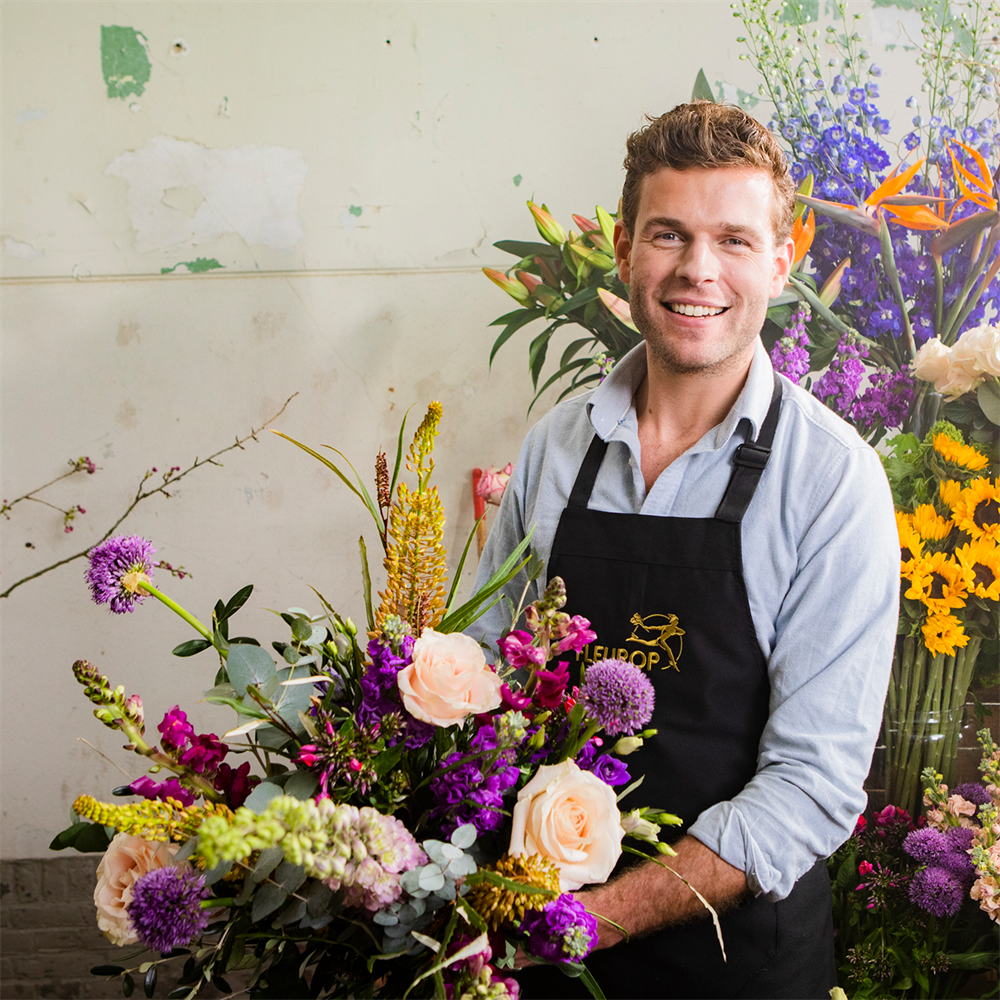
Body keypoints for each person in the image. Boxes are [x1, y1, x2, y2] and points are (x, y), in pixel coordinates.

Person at [470, 102, 899, 999]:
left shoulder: (831, 481)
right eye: (669, 235)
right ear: (624, 251)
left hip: (734, 961)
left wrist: (592, 922)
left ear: (781, 264)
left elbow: (811, 786)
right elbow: (484, 688)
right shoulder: (557, 450)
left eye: (735, 241)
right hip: (539, 950)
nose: (698, 271)